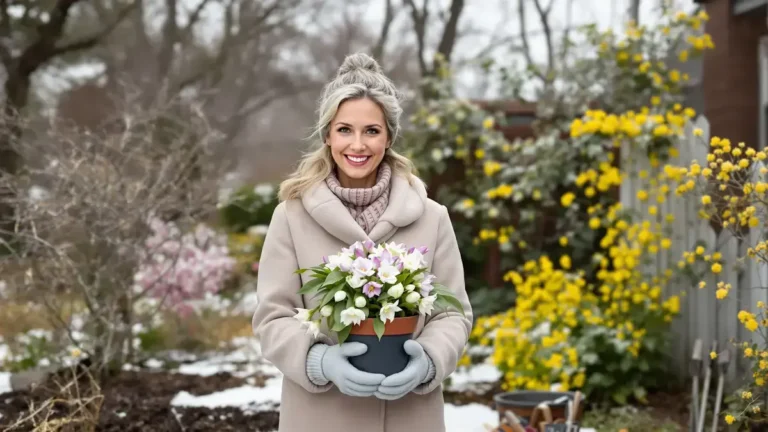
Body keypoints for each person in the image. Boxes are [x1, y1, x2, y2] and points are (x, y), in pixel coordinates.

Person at [252, 52, 473, 432]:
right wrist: (319, 362)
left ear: (389, 137)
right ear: (327, 135)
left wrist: (430, 361)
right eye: (344, 130)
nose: (358, 144)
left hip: (408, 415)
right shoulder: (291, 216)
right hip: (320, 416)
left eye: (371, 131)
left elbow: (453, 314)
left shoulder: (432, 217)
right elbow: (273, 317)